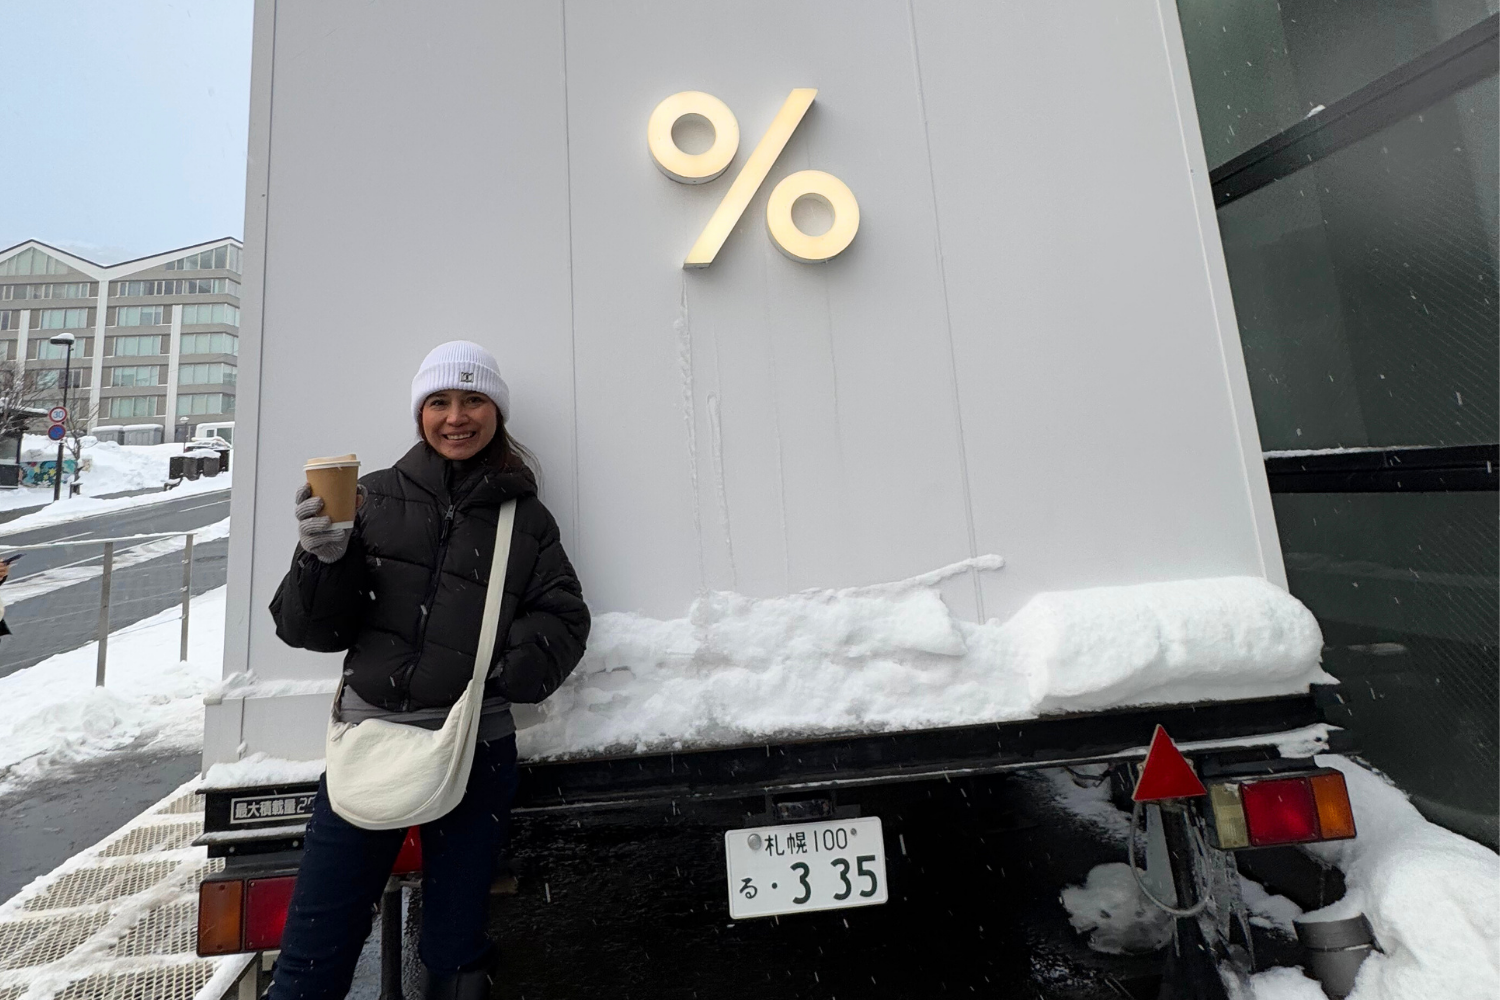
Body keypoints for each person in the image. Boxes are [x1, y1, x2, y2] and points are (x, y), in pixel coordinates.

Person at [268, 340, 590, 1000]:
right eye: (440, 401)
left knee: (453, 947)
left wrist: (501, 664)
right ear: (420, 413)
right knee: (312, 954)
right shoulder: (373, 498)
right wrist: (321, 559)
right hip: (371, 740)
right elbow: (307, 630)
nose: (456, 416)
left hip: (478, 749)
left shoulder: (523, 517)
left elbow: (566, 618)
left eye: (474, 400)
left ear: (496, 412)